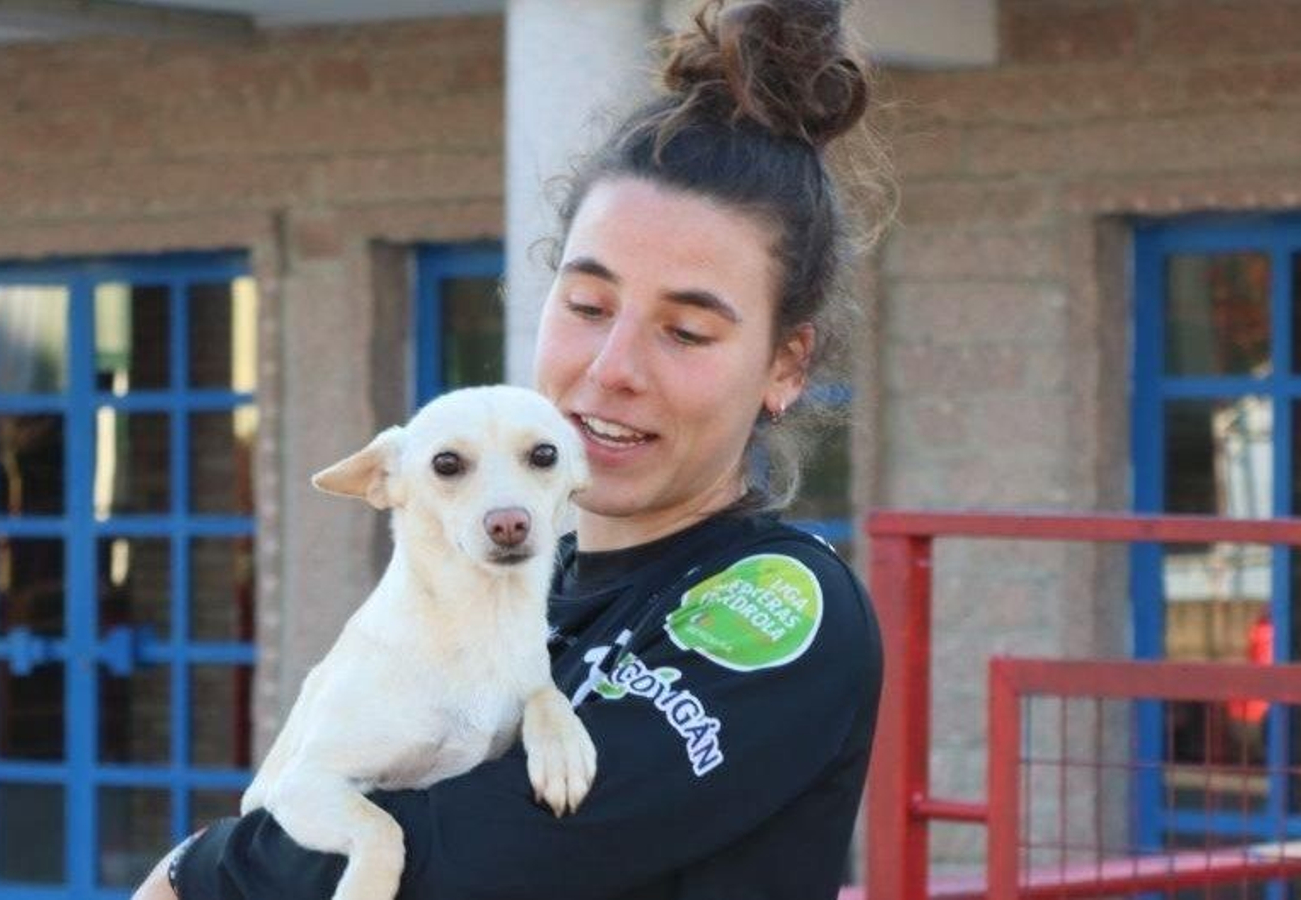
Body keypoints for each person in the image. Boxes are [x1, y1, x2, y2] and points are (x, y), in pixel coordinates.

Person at [135, 0, 886, 896]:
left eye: (685, 331)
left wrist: (199, 869)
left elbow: (478, 860)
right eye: (587, 306)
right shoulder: (518, 573)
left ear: (785, 365)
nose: (612, 370)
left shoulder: (779, 607)